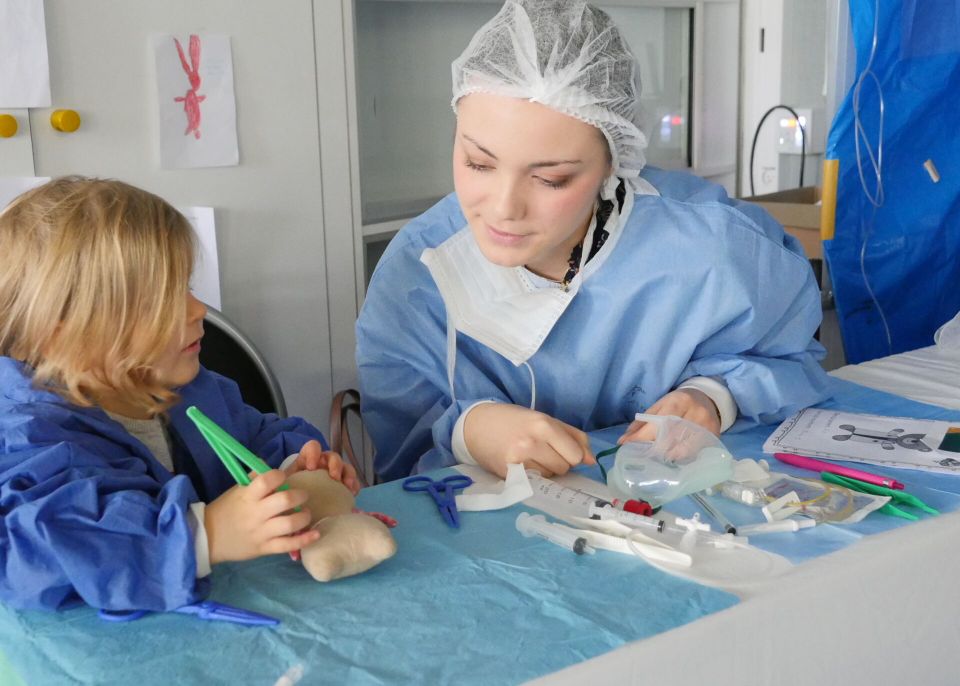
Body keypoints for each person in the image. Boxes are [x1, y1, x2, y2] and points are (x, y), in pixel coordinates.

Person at [357, 0, 830, 482]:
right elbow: (399, 458)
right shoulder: (418, 274)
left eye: (551, 179)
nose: (503, 208)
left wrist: (713, 396)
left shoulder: (713, 248)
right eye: (479, 163)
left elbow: (791, 357)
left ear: (614, 163)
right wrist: (468, 431)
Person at [0, 177, 359, 612]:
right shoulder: (29, 439)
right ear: (62, 329)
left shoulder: (185, 385)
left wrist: (295, 465)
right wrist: (204, 534)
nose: (198, 309)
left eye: (186, 287)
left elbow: (255, 435)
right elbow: (47, 552)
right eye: (161, 300)